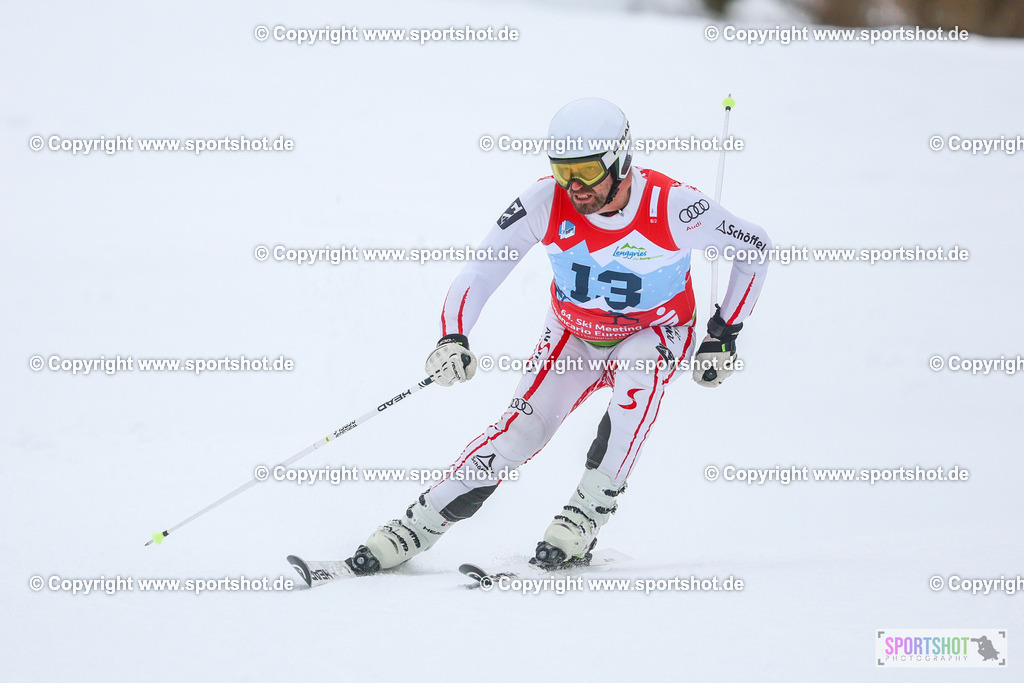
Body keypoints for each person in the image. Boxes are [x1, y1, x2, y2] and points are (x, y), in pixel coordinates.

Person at [345, 97, 771, 573]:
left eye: (587, 171)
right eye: (563, 171)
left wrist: (723, 333)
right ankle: (416, 526)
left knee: (635, 385)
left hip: (655, 331)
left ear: (621, 159)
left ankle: (584, 515)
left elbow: (755, 247)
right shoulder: (544, 201)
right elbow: (482, 272)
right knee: (520, 430)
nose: (575, 187)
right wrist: (454, 336)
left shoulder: (674, 207)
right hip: (575, 334)